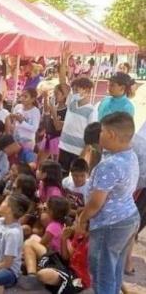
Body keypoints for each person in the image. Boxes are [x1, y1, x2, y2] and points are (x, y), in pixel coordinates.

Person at [77, 112, 140, 294]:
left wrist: (81, 219)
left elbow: (96, 203)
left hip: (110, 224)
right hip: (128, 218)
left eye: (102, 131)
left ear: (111, 134)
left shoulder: (110, 164)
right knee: (115, 269)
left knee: (102, 273)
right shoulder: (130, 154)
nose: (100, 135)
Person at [21, 197, 70, 290]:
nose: (43, 207)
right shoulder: (58, 223)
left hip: (56, 259)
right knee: (33, 238)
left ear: (51, 212)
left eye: (45, 208)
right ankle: (30, 263)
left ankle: (32, 274)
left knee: (29, 243)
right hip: (55, 254)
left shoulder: (52, 226)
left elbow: (42, 243)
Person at [36, 222, 91, 293]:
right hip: (69, 270)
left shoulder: (92, 244)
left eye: (76, 222)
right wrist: (63, 239)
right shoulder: (79, 237)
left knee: (44, 275)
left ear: (84, 225)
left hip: (81, 281)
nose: (73, 225)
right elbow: (66, 258)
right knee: (47, 259)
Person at [59, 77, 97, 176]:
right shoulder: (71, 102)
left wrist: (84, 153)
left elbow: (91, 136)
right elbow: (62, 83)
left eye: (77, 90)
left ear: (87, 91)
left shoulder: (91, 111)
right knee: (61, 174)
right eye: (73, 90)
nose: (74, 92)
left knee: (72, 176)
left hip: (77, 151)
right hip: (64, 146)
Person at [39, 84, 69, 162]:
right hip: (48, 136)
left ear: (64, 96)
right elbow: (46, 112)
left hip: (57, 138)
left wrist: (53, 111)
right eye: (54, 93)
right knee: (40, 159)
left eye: (57, 93)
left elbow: (58, 127)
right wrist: (45, 98)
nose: (55, 95)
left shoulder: (66, 110)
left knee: (55, 161)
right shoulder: (54, 107)